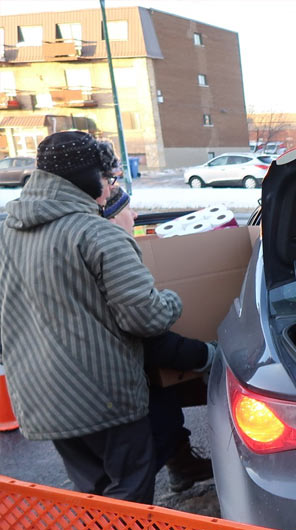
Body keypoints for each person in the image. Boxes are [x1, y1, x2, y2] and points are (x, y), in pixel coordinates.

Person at [0, 131, 182, 504]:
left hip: (38, 396)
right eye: (107, 177)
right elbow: (145, 317)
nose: (110, 186)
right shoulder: (98, 234)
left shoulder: (6, 233)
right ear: (87, 178)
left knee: (93, 496)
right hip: (104, 398)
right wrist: (173, 300)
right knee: (129, 494)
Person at [102, 186, 216, 492]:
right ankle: (128, 518)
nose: (135, 214)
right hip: (114, 392)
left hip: (71, 392)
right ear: (111, 218)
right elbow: (149, 334)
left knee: (162, 400)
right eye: (127, 209)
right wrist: (207, 354)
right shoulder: (112, 258)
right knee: (130, 481)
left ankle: (181, 464)